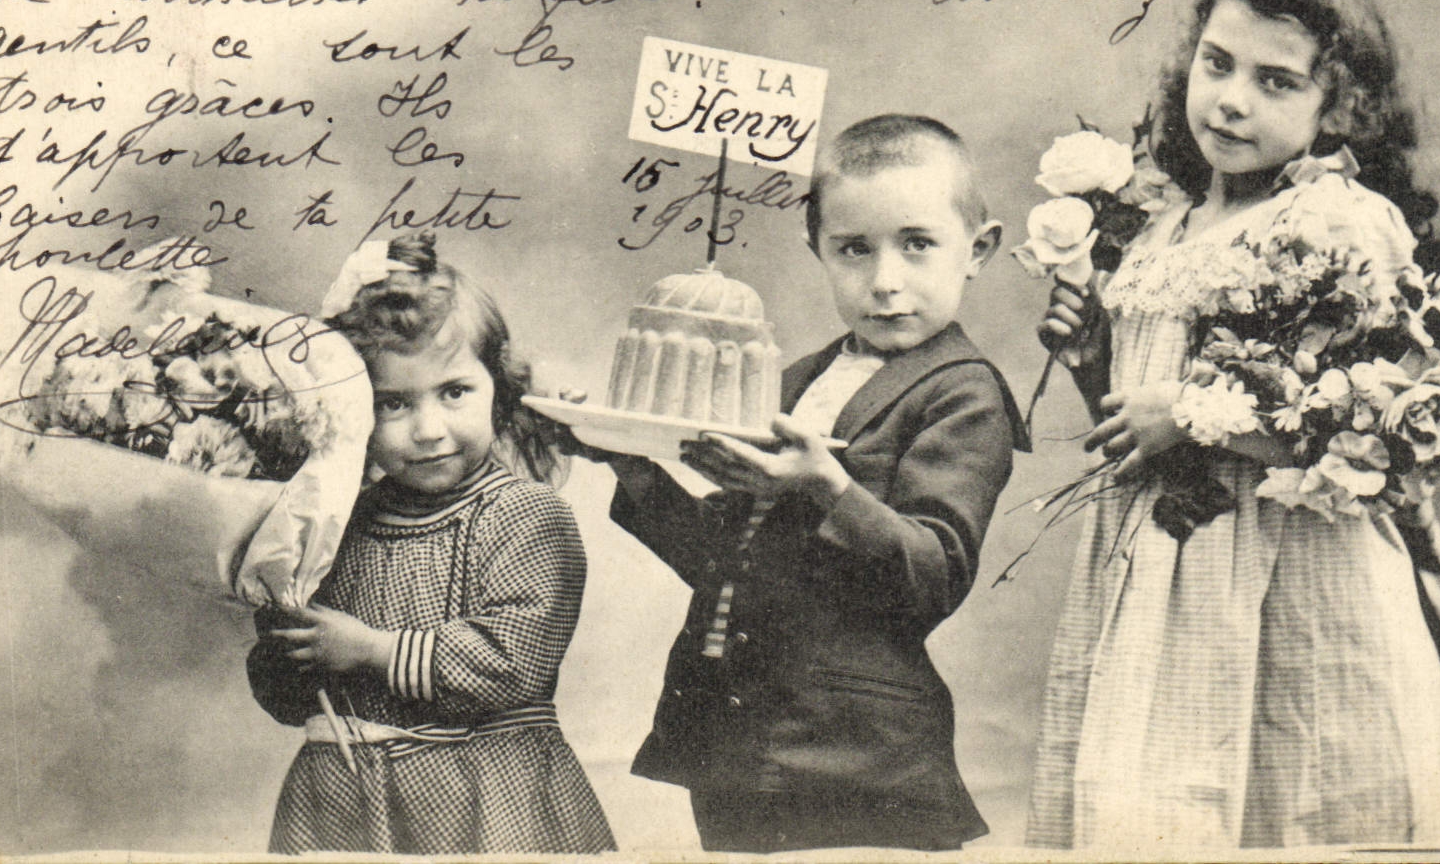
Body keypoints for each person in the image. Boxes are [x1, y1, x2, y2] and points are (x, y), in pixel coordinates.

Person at [1026, 0, 1440, 850]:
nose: (1232, 101)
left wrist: (1195, 417)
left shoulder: (1337, 219)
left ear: (1338, 112)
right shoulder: (1162, 231)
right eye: (1217, 64)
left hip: (1287, 567)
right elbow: (1136, 420)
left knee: (1298, 788)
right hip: (1157, 570)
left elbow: (1372, 425)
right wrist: (1096, 363)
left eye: (1274, 82)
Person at [591, 115, 1029, 852]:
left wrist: (828, 487)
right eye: (854, 249)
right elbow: (722, 559)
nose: (886, 281)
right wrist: (630, 466)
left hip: (857, 751)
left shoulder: (963, 394)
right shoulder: (798, 380)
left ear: (977, 249)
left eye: (917, 245)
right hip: (736, 735)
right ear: (816, 248)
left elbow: (935, 572)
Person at [246, 233, 615, 855]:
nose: (428, 430)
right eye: (392, 404)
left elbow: (510, 663)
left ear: (498, 389)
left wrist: (371, 651)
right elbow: (289, 695)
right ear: (351, 414)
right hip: (343, 798)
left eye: (454, 392)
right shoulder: (335, 524)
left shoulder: (524, 513)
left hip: (487, 796)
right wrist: (287, 645)